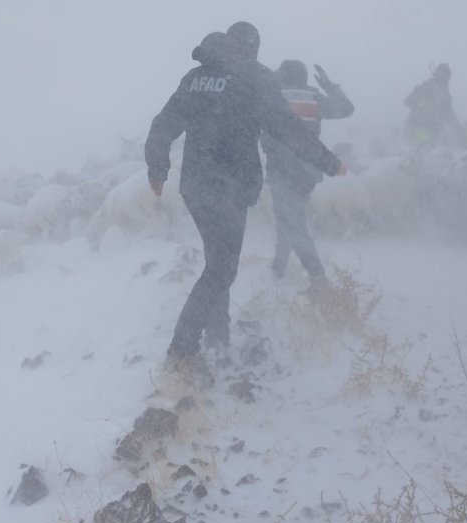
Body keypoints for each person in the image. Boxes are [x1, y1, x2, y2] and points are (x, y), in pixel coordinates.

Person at [144, 22, 346, 365]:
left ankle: (218, 336)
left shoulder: (196, 78)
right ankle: (182, 349)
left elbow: (164, 123)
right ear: (251, 47)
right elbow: (286, 127)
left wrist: (157, 167)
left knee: (216, 261)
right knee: (223, 268)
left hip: (195, 185)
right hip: (231, 186)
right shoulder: (255, 78)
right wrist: (327, 161)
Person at [262, 60, 354, 284]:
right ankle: (279, 265)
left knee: (293, 221)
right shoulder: (313, 96)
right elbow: (346, 109)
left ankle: (318, 278)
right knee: (289, 216)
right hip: (308, 170)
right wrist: (329, 86)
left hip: (282, 168)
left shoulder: (274, 95)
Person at [403, 62, 465, 149]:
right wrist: (419, 103)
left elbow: (451, 117)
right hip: (416, 132)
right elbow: (407, 102)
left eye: (446, 75)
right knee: (437, 141)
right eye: (443, 74)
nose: (445, 78)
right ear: (438, 74)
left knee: (441, 138)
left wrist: (461, 131)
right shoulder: (425, 88)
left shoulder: (445, 97)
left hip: (426, 135)